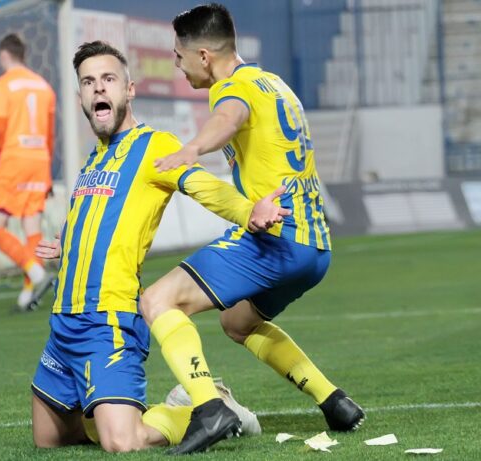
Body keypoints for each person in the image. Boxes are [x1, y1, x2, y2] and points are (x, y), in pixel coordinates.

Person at [30, 40, 286, 453]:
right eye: (88, 82)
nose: (98, 88)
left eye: (108, 79)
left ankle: (210, 409)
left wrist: (248, 211)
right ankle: (117, 410)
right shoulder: (96, 158)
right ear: (80, 97)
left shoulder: (154, 145)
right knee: (50, 439)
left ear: (129, 90)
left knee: (122, 442)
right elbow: (97, 213)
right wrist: (70, 242)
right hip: (64, 321)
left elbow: (204, 186)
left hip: (108, 320)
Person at [138, 3, 365, 454]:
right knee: (238, 322)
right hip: (315, 247)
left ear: (204, 56)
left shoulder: (232, 88)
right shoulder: (273, 83)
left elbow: (229, 118)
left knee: (157, 299)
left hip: (276, 237)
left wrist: (192, 149)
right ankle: (334, 401)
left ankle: (209, 408)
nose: (177, 65)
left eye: (179, 56)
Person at [0, 33, 57, 311]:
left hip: (14, 160)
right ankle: (28, 293)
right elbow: (50, 134)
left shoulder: (3, 84)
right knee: (32, 227)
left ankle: (35, 272)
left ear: (4, 55)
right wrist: (47, 170)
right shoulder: (44, 86)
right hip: (40, 161)